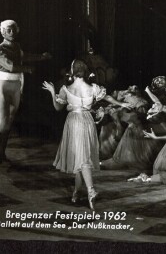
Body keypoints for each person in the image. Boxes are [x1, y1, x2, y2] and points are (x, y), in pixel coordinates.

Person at [42, 59, 134, 210]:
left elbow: (58, 107)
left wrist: (52, 92)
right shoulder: (93, 88)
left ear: (72, 72)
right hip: (88, 120)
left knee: (82, 158)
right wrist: (121, 104)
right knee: (82, 157)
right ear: (84, 72)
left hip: (74, 122)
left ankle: (91, 190)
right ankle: (77, 191)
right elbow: (108, 97)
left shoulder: (66, 89)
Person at [0, 20, 52, 163]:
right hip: (4, 85)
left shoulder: (16, 47)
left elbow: (24, 57)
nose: (11, 33)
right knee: (4, 120)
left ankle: (1, 151)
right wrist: (27, 69)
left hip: (16, 85)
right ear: (2, 32)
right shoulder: (0, 49)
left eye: (14, 30)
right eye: (8, 30)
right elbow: (11, 66)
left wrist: (41, 57)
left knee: (11, 119)